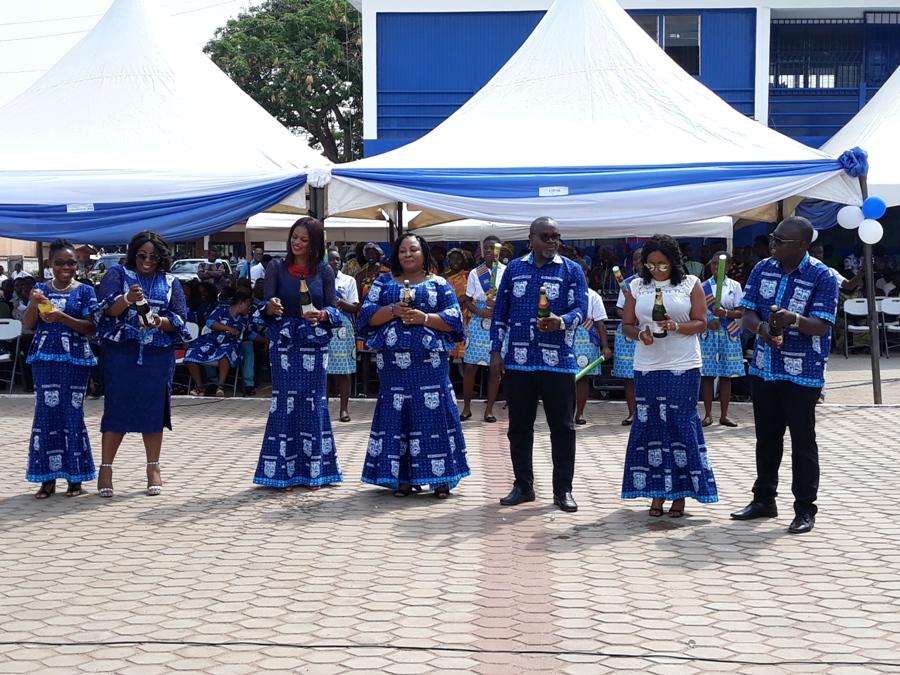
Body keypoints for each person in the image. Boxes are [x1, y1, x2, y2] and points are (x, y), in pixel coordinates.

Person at [731, 216, 839, 535]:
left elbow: (822, 324)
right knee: (766, 438)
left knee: (803, 441)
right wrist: (763, 328)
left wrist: (792, 320)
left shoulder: (822, 276)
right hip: (765, 367)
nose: (774, 243)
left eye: (782, 240)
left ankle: (805, 509)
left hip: (803, 372)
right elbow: (747, 311)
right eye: (773, 237)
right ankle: (764, 499)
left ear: (803, 245)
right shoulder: (763, 267)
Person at [357, 233, 469, 498]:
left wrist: (424, 317)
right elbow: (366, 315)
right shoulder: (383, 282)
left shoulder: (439, 284)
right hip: (393, 366)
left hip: (429, 363)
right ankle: (403, 478)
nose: (408, 255)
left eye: (413, 250)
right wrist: (394, 310)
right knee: (399, 416)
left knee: (433, 415)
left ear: (424, 254)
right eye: (403, 250)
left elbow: (454, 319)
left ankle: (442, 479)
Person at [491, 217, 587, 513]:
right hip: (519, 362)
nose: (551, 242)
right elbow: (500, 313)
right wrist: (496, 351)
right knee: (519, 427)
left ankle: (563, 490)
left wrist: (562, 321)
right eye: (545, 237)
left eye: (556, 236)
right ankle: (523, 486)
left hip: (558, 362)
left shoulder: (572, 270)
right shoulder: (514, 270)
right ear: (530, 238)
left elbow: (582, 309)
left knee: (562, 427)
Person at [620, 234, 718, 517]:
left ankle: (680, 494)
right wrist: (640, 333)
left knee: (679, 423)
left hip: (683, 363)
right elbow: (627, 325)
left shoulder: (690, 284)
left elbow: (702, 323)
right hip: (647, 364)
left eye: (662, 265)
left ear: (674, 262)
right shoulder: (636, 286)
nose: (656, 270)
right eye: (650, 265)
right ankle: (655, 493)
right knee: (650, 425)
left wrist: (676, 326)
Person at [94, 231, 191, 498]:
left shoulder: (171, 282)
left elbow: (180, 319)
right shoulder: (118, 274)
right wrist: (127, 299)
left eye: (153, 255)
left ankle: (153, 468)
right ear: (133, 255)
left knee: (153, 410)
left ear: (162, 257)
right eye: (142, 255)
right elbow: (104, 310)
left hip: (157, 354)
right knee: (117, 408)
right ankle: (106, 469)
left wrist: (159, 321)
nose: (147, 260)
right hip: (122, 352)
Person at [253, 217, 343, 490]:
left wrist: (324, 314)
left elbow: (334, 308)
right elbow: (264, 305)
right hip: (284, 344)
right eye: (294, 237)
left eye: (304, 239)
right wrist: (271, 307)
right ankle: (281, 473)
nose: (297, 242)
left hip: (314, 344)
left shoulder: (324, 271)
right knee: (284, 403)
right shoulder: (276, 267)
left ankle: (315, 471)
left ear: (314, 243)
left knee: (313, 402)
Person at [21, 240, 98, 499]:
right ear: (50, 265)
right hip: (45, 360)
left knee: (71, 415)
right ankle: (47, 479)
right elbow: (29, 324)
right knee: (45, 417)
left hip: (75, 360)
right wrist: (35, 303)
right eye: (60, 263)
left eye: (71, 262)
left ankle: (75, 478)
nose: (66, 267)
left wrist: (61, 317)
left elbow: (91, 328)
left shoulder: (85, 291)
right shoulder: (40, 289)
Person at [460, 237, 506, 422]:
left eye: (493, 248)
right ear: (482, 250)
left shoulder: (506, 271)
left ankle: (489, 410)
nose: (489, 251)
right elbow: (467, 301)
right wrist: (480, 311)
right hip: (478, 321)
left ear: (499, 250)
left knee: (495, 368)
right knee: (470, 367)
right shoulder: (474, 273)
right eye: (486, 248)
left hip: (498, 321)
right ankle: (466, 408)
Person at [699, 251, 745, 428]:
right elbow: (697, 312)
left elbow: (740, 311)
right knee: (708, 375)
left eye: (721, 264)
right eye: (714, 264)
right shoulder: (702, 286)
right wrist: (708, 322)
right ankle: (708, 415)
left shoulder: (735, 286)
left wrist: (725, 313)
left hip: (728, 333)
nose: (717, 267)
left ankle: (724, 415)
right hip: (709, 333)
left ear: (729, 266)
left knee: (727, 376)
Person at [184, 290, 253, 397]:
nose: (249, 308)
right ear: (241, 303)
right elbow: (210, 322)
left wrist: (265, 340)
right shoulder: (222, 310)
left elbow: (249, 334)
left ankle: (220, 386)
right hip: (212, 340)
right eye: (248, 304)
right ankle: (200, 387)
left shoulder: (245, 319)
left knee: (225, 352)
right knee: (190, 353)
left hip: (230, 343)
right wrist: (228, 328)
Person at [574, 262, 613, 425]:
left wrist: (605, 346)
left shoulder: (593, 296)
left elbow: (600, 324)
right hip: (567, 338)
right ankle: (564, 412)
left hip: (586, 342)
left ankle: (579, 413)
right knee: (562, 379)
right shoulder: (562, 293)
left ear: (586, 273)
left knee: (582, 379)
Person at [326, 246, 360, 422]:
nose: (335, 262)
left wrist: (340, 302)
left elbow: (355, 306)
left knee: (343, 369)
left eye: (337, 259)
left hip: (342, 328)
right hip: (323, 325)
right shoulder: (317, 279)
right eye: (331, 259)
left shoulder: (349, 280)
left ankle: (344, 410)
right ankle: (322, 410)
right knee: (322, 369)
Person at [611, 248, 642, 425]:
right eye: (636, 259)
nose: (639, 262)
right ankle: (632, 413)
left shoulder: (656, 282)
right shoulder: (628, 283)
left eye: (642, 259)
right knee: (629, 377)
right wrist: (630, 317)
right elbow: (619, 308)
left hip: (649, 332)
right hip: (630, 333)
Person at [443, 248, 470, 364]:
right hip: (449, 316)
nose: (455, 261)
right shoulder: (442, 277)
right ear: (448, 261)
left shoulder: (468, 276)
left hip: (466, 316)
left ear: (464, 261)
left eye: (459, 258)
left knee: (465, 355)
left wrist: (466, 298)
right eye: (452, 258)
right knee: (448, 353)